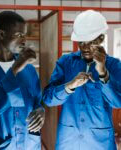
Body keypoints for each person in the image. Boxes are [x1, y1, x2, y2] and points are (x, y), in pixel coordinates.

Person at [43, 10, 121, 150]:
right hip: (68, 141)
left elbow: (117, 102)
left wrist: (103, 72)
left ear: (101, 38)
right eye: (81, 42)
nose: (84, 47)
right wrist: (69, 86)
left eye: (90, 42)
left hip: (100, 143)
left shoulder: (114, 65)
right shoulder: (65, 62)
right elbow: (48, 99)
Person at [0, 11, 45, 150]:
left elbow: (37, 101)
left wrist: (41, 110)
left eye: (24, 35)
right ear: (1, 35)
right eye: (18, 35)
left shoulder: (28, 70)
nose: (24, 40)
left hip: (28, 144)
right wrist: (15, 68)